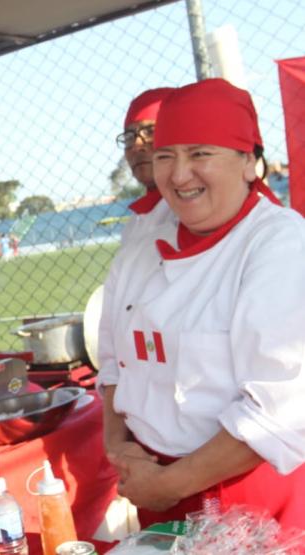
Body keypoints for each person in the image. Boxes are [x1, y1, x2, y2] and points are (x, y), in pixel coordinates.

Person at [97, 78, 305, 529]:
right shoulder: (142, 240)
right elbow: (115, 361)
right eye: (167, 156)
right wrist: (119, 447)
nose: (179, 174)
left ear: (249, 162)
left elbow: (278, 412)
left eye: (200, 154)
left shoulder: (279, 245)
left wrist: (169, 484)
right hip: (153, 485)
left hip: (247, 497)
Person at [115, 87, 177, 245]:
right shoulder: (135, 224)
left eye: (150, 131)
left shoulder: (199, 214)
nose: (137, 144)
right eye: (129, 137)